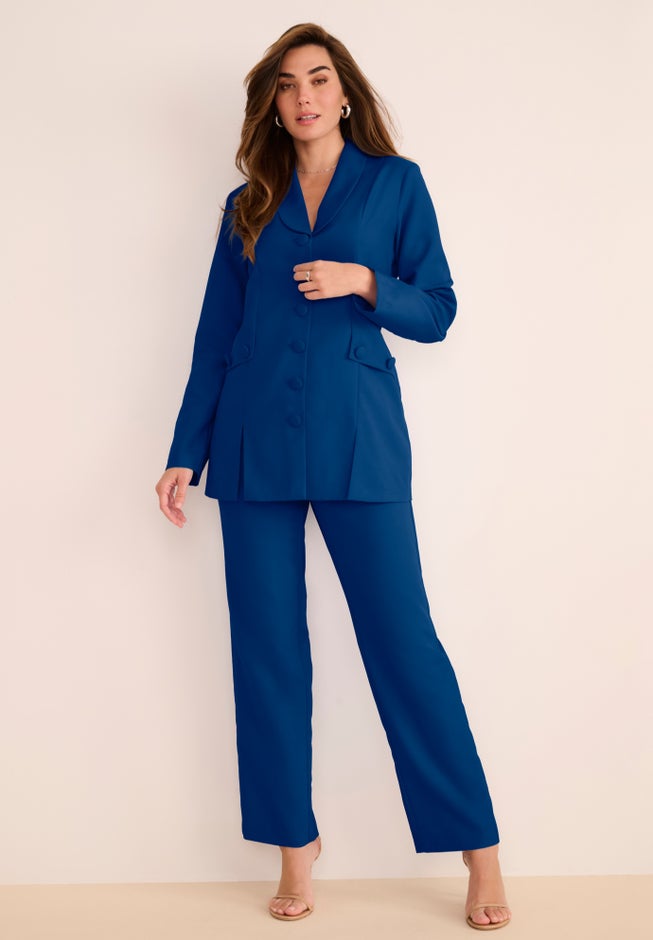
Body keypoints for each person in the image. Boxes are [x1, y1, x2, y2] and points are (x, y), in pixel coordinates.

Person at [155, 22, 512, 931]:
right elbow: (215, 335)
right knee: (267, 653)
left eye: (318, 79)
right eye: (286, 84)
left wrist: (364, 281)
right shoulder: (247, 203)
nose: (303, 96)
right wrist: (185, 449)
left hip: (359, 440)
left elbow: (437, 310)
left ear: (344, 94)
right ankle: (295, 848)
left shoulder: (395, 184)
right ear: (272, 103)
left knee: (404, 644)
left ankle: (478, 850)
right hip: (252, 444)